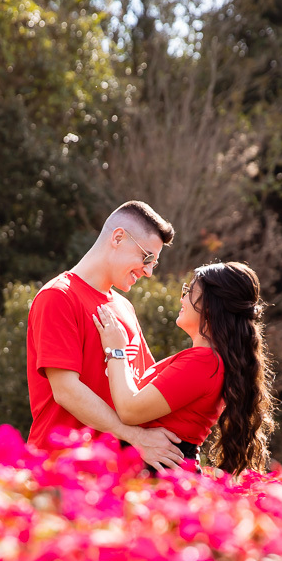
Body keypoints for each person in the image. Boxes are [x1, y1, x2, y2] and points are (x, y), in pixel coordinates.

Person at [26, 200, 185, 468]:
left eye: (154, 264)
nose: (147, 272)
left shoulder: (124, 307)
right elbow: (65, 390)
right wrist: (136, 437)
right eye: (147, 258)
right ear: (118, 237)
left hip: (116, 475)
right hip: (60, 470)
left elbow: (144, 387)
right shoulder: (58, 297)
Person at [92, 261, 276, 475]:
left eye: (189, 291)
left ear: (209, 305)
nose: (182, 298)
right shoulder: (205, 361)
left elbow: (129, 410)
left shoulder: (204, 362)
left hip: (159, 476)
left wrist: (116, 350)